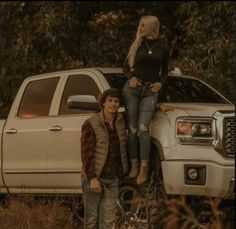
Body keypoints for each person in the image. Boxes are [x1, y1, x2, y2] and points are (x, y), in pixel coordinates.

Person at [122, 15, 169, 185]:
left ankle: (144, 167)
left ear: (151, 27)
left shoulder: (162, 48)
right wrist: (131, 77)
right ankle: (134, 165)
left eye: (143, 26)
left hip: (150, 91)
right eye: (140, 25)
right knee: (132, 130)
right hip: (132, 90)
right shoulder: (137, 45)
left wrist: (160, 84)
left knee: (143, 128)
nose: (140, 28)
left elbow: (165, 71)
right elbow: (125, 67)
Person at [81, 88, 128, 229]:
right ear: (103, 103)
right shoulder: (91, 123)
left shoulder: (121, 119)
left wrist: (158, 106)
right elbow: (86, 153)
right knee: (91, 220)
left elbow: (140, 110)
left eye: (116, 101)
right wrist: (92, 178)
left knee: (108, 222)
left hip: (113, 179)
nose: (113, 104)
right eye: (110, 101)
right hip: (95, 178)